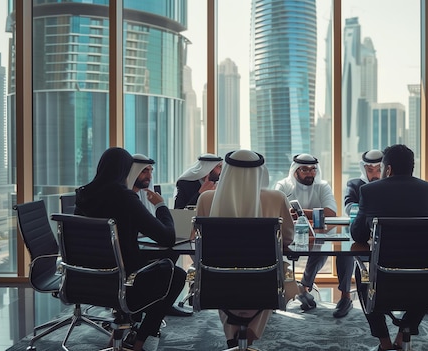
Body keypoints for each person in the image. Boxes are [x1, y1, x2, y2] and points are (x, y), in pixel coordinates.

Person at [74, 147, 186, 351]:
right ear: (126, 170)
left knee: (154, 270)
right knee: (175, 275)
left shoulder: (83, 195)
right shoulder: (124, 198)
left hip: (84, 281)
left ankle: (119, 334)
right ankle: (139, 341)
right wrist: (161, 206)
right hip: (124, 283)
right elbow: (167, 236)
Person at [195, 150, 296, 348]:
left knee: (223, 272)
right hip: (264, 282)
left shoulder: (206, 198)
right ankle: (247, 338)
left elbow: (200, 242)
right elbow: (287, 239)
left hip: (216, 282)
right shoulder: (276, 198)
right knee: (270, 269)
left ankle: (233, 339)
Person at [350, 144, 428, 351]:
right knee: (427, 273)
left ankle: (384, 343)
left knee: (361, 272)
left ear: (387, 169)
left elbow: (358, 235)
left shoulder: (369, 190)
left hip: (383, 277)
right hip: (425, 278)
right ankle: (403, 335)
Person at [274, 153, 354, 318]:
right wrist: (314, 215)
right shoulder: (283, 186)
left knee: (343, 250)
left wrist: (300, 214)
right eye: (304, 170)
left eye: (313, 170)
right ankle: (290, 292)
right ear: (295, 171)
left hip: (318, 236)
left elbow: (331, 212)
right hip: (289, 236)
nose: (310, 173)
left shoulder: (322, 186)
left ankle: (344, 297)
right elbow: (277, 213)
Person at [126, 153, 193, 317]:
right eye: (143, 171)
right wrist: (160, 205)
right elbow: (166, 236)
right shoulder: (128, 200)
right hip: (128, 264)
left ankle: (157, 303)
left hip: (110, 266)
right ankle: (154, 308)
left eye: (150, 171)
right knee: (173, 269)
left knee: (169, 257)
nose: (149, 176)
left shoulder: (136, 195)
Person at [344, 149, 383, 215]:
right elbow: (349, 208)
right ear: (364, 169)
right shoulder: (354, 185)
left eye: (379, 170)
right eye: (370, 170)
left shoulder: (390, 186)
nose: (375, 175)